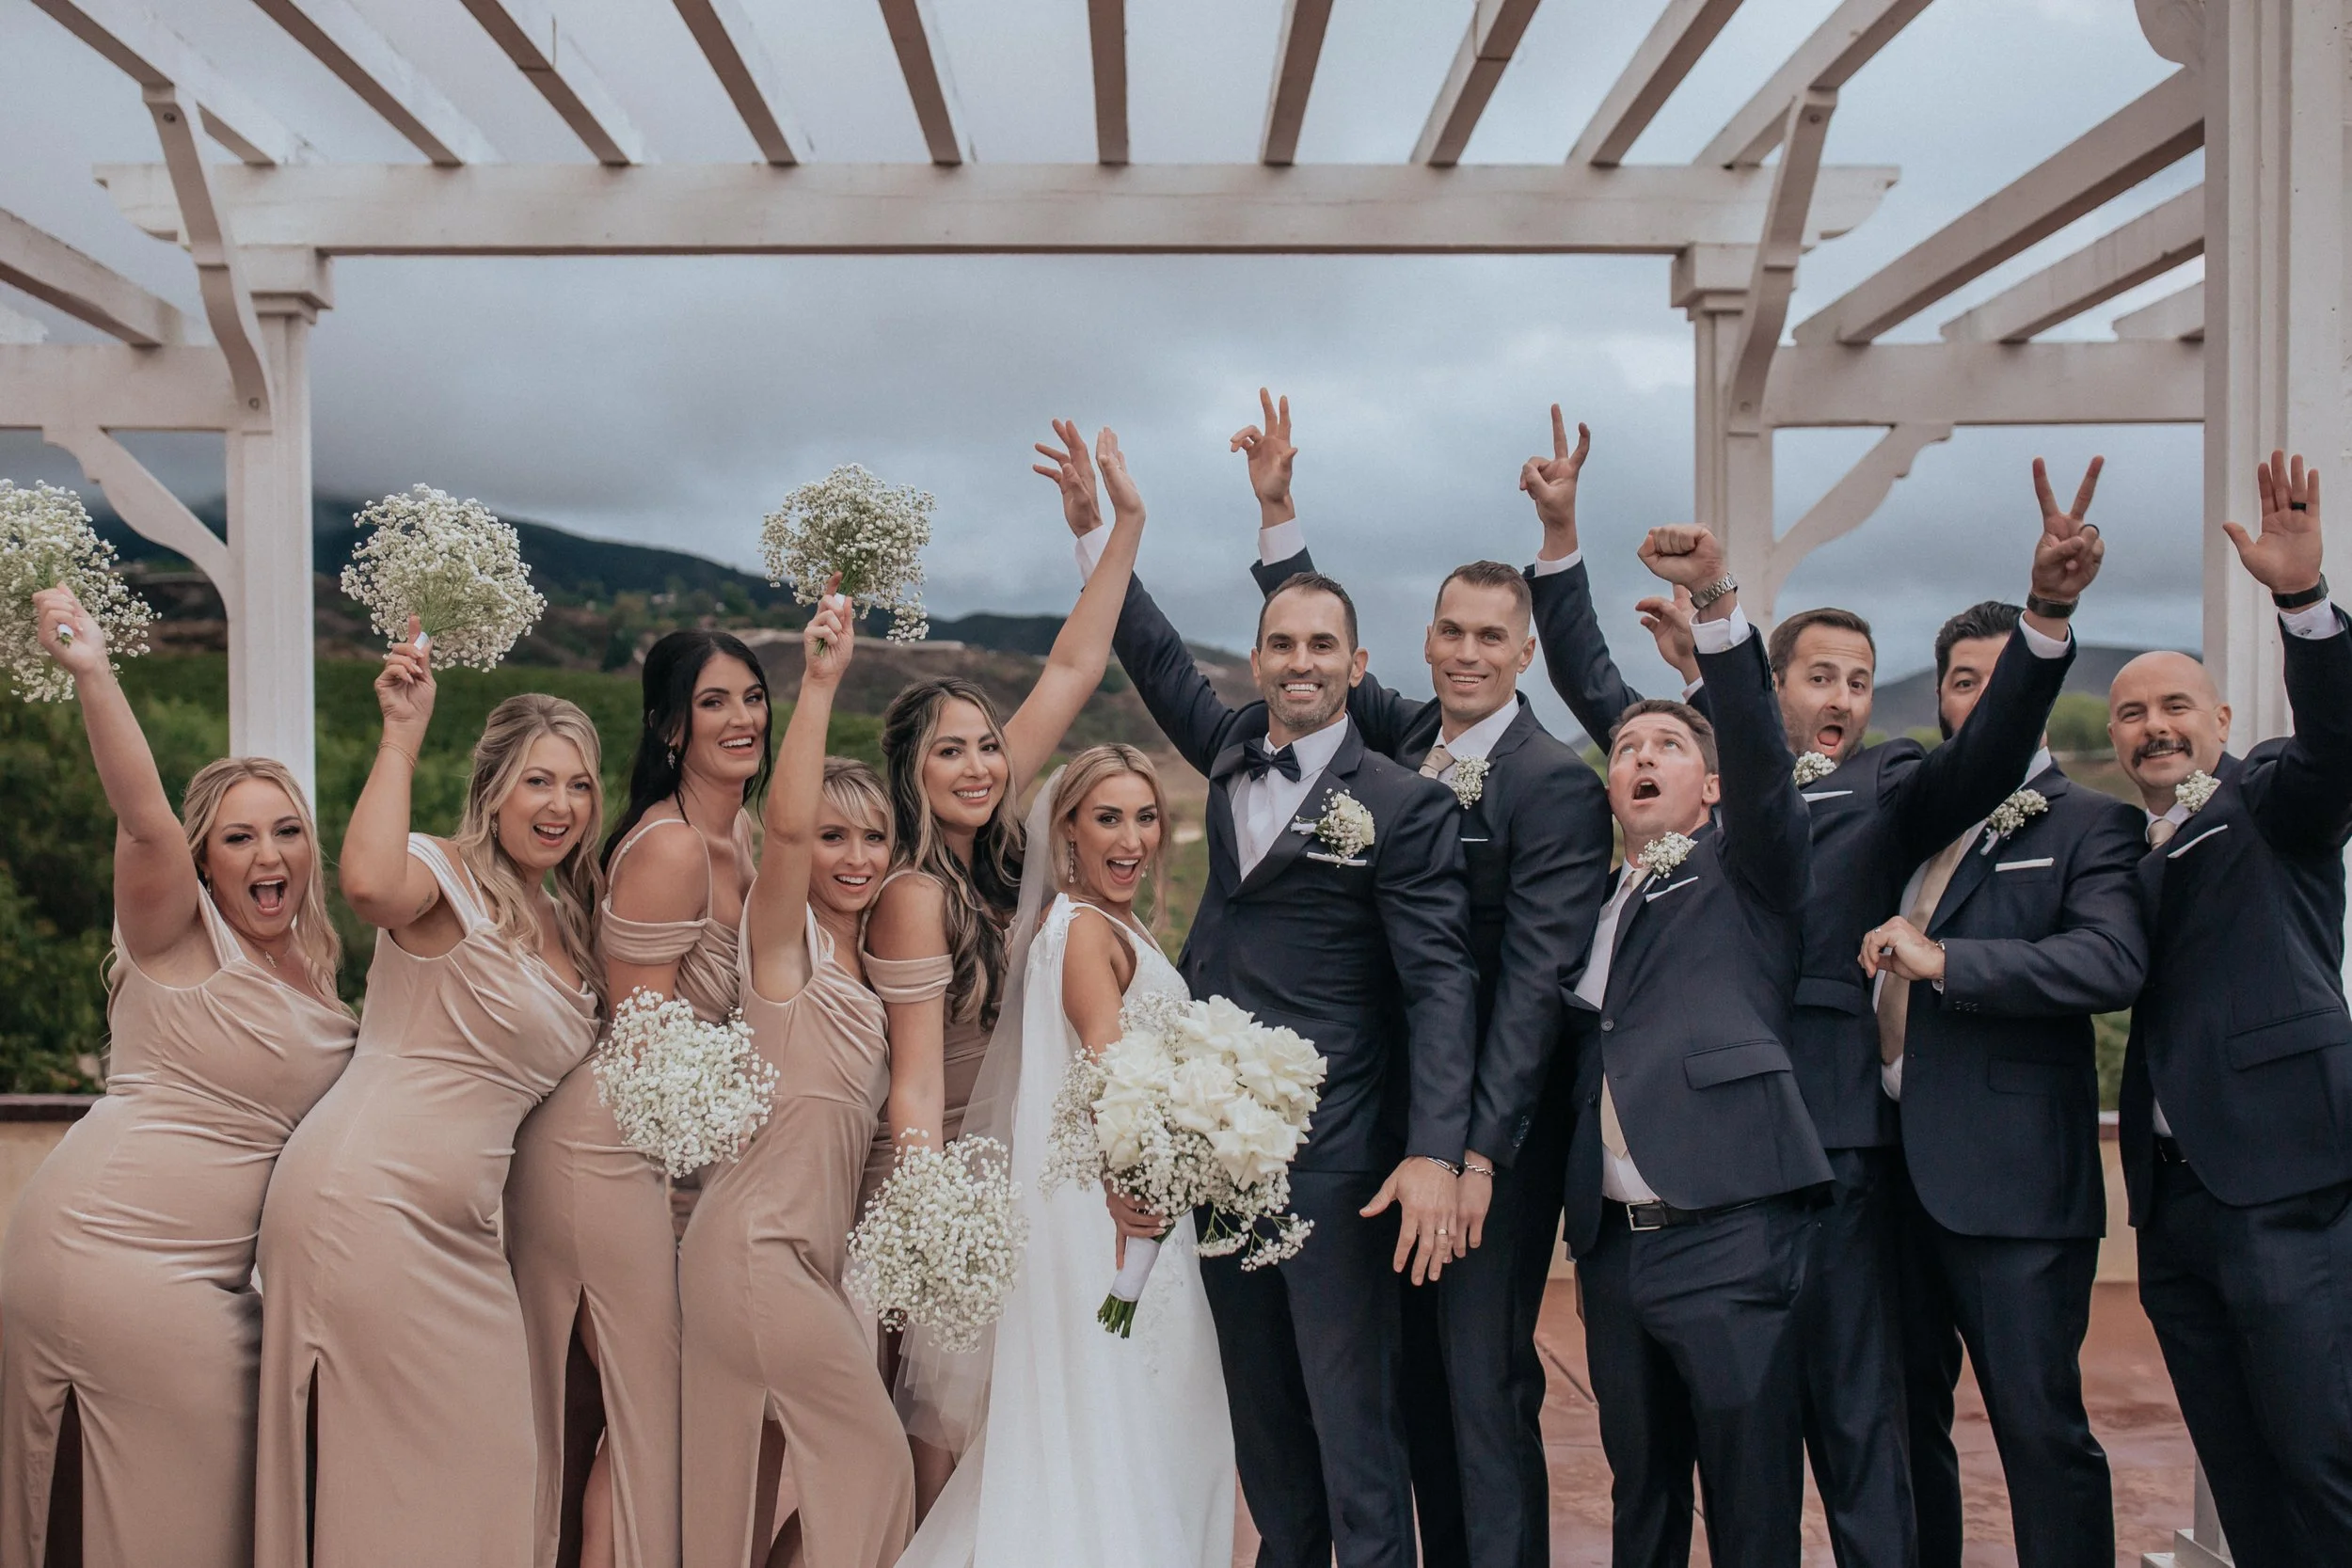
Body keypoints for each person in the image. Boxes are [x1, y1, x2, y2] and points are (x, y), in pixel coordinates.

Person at [1521, 407, 2094, 1567]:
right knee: (1725, 1447)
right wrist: (1561, 547)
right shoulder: (1708, 789)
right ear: (1769, 687)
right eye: (1819, 673)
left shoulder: (1891, 780)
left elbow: (1989, 757)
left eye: (1862, 679)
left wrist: (2045, 623)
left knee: (1855, 1414)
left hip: (1832, 1145)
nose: (1841, 693)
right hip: (1694, 1152)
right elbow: (1599, 697)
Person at [1220, 388, 1613, 1568]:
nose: (1468, 652)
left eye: (1493, 636)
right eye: (1453, 630)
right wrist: (1279, 514)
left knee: (1482, 1383)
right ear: (1428, 637)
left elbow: (1532, 983)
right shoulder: (1403, 739)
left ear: (1523, 648)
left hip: (1491, 1135)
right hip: (1392, 1122)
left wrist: (1472, 1153)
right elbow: (1311, 648)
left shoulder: (1551, 783)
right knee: (1402, 1380)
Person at [1075, 441, 1482, 1568]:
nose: (1299, 662)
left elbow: (1441, 983)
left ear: (1355, 663)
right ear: (1255, 655)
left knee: (1355, 1433)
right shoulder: (1227, 751)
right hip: (1216, 1153)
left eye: (1321, 645)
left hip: (1338, 1162)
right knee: (1263, 1432)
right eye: (1281, 643)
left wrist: (1437, 1150)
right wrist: (1096, 533)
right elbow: (1148, 652)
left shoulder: (1404, 806)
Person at [0, 587, 356, 1568]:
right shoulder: (178, 935)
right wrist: (94, 668)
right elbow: (145, 819)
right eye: (239, 837)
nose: (268, 853)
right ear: (205, 861)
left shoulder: (321, 975)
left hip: (191, 1273)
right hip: (117, 1255)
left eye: (285, 829)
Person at [252, 621, 605, 1568]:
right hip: (364, 1204)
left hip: (461, 1231)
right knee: (395, 1482)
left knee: (494, 1466)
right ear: (493, 789)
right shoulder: (443, 876)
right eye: (538, 779)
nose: (560, 802)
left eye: (578, 783)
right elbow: (364, 882)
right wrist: (401, 734)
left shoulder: (570, 918)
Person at [867, 420, 1151, 1508]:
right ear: (912, 770)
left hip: (1027, 1156)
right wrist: (936, 1222)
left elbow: (1078, 660)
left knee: (1007, 1417)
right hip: (949, 1178)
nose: (983, 762)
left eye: (990, 744)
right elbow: (916, 1079)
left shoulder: (1001, 848)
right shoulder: (914, 896)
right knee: (935, 1420)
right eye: (953, 749)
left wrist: (1123, 524)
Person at [896, 745, 1236, 1568]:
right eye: (1108, 817)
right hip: (1119, 1222)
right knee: (1133, 1430)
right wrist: (1135, 1193)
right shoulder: (1086, 932)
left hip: (1109, 1207)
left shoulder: (1091, 924)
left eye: (1146, 816)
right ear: (1068, 832)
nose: (1132, 838)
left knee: (1113, 1429)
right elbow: (1105, 1071)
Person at [1560, 522, 1828, 1568]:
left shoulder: (1748, 867)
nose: (1640, 755)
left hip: (1729, 1228)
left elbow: (1761, 754)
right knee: (1643, 1495)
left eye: (1667, 744)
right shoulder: (1590, 899)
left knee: (1751, 1500)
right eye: (1626, 745)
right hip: (1614, 1244)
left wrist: (1716, 605)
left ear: (1708, 788)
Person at [1859, 600, 2146, 1568]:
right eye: (1961, 681)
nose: (1979, 700)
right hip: (1881, 1176)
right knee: (1896, 1426)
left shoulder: (2090, 822)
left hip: (2013, 1187)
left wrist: (1948, 962)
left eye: (1998, 678)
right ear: (1939, 698)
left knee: (2038, 1431)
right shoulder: (1899, 812)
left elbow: (2109, 960)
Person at [2109, 452, 2352, 1566]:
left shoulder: (2268, 797)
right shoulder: (2121, 855)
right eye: (2129, 714)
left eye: (2173, 706)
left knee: (2320, 1456)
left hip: (2288, 1190)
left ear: (2221, 714)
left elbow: (2339, 745)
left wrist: (2300, 601)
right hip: (2178, 1212)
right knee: (2244, 1475)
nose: (2152, 727)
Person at [506, 629, 771, 1568]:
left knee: (650, 1411)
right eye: (712, 702)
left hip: (657, 1153)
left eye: (751, 695)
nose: (741, 717)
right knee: (642, 1414)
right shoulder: (666, 847)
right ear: (668, 730)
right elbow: (642, 1043)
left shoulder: (741, 834)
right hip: (602, 1156)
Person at [678, 594, 916, 1568]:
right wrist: (819, 682)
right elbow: (775, 835)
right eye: (833, 836)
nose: (854, 857)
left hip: (801, 1262)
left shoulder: (878, 971)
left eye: (872, 838)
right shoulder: (786, 955)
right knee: (874, 1466)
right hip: (752, 1252)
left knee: (774, 1495)